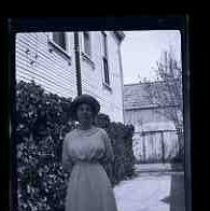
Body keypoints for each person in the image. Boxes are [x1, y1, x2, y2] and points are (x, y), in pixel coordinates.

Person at [62, 94, 118, 211]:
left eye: (88, 109)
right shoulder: (69, 137)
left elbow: (109, 157)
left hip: (98, 177)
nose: (85, 112)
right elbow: (66, 162)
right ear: (76, 113)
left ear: (93, 113)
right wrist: (79, 170)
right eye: (81, 109)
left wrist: (107, 179)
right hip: (77, 179)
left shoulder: (101, 134)